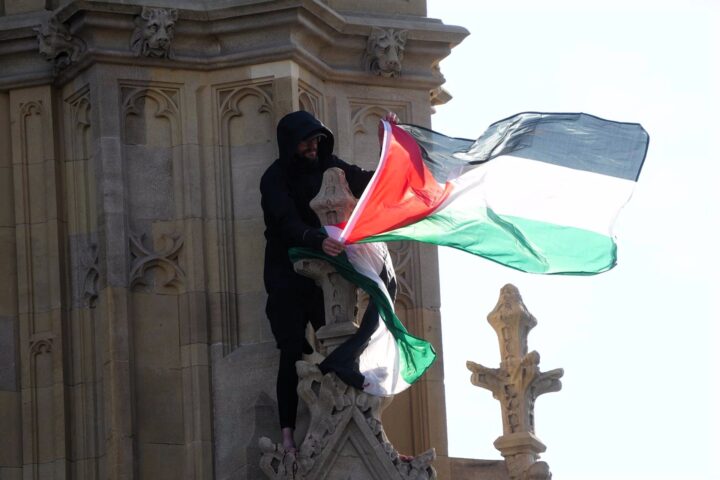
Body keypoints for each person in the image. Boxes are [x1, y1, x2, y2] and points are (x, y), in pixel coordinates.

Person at [260, 110, 398, 453]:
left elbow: (368, 184)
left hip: (330, 267)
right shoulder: (274, 178)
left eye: (317, 140)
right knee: (292, 348)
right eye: (306, 141)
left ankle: (367, 432)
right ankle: (289, 437)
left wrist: (387, 148)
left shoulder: (329, 164)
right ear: (291, 144)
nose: (312, 147)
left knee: (345, 344)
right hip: (288, 272)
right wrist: (314, 237)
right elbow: (284, 221)